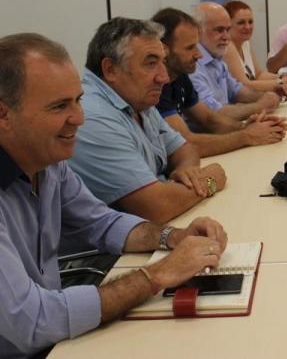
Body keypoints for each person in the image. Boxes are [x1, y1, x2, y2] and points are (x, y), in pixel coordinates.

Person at [0, 33, 229, 359]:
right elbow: (30, 322)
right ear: (3, 115)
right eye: (59, 106)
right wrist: (157, 275)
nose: (79, 118)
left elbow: (103, 223)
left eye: (77, 100)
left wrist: (172, 237)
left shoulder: (49, 164)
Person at [68, 18, 227, 224]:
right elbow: (156, 207)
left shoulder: (136, 98)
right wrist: (209, 181)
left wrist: (187, 171)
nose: (164, 77)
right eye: (151, 63)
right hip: (111, 253)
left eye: (163, 62)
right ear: (110, 69)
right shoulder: (92, 117)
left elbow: (185, 150)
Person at [152, 7, 287, 158]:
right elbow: (186, 145)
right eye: (190, 48)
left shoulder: (179, 75)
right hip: (174, 176)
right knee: (214, 181)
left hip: (190, 172)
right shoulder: (155, 87)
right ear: (163, 50)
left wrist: (245, 127)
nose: (198, 54)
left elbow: (209, 119)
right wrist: (246, 136)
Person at [190, 2, 286, 121]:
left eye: (227, 29)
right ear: (197, 31)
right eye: (219, 30)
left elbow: (236, 90)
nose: (226, 37)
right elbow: (213, 114)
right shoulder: (192, 66)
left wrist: (266, 95)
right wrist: (260, 106)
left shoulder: (216, 57)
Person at [221, 0, 287, 89]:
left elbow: (258, 75)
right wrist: (282, 82)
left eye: (250, 22)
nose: (247, 27)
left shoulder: (245, 42)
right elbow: (244, 85)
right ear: (228, 25)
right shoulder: (227, 47)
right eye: (241, 23)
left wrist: (283, 76)